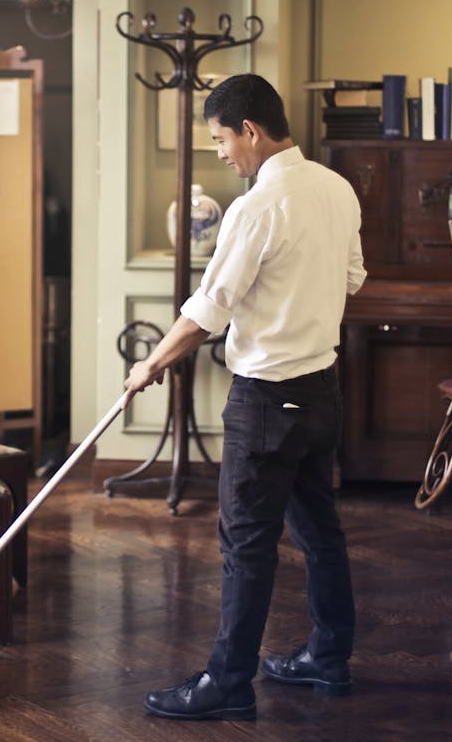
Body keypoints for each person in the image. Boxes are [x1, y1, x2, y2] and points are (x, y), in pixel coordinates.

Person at [123, 73, 366, 721]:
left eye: (220, 139)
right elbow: (352, 278)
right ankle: (330, 657)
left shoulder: (257, 207)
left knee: (247, 544)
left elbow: (209, 312)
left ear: (250, 131)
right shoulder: (338, 190)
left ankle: (228, 682)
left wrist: (149, 362)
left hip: (266, 399)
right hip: (320, 391)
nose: (222, 153)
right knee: (321, 532)